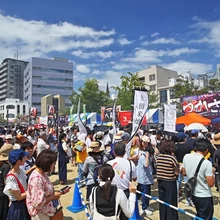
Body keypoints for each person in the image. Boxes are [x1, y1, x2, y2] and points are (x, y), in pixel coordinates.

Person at [26, 150, 70, 220]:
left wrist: (59, 192)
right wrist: (53, 196)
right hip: (41, 215)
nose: (54, 165)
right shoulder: (36, 179)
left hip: (46, 212)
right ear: (47, 163)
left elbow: (45, 191)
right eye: (53, 163)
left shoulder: (43, 173)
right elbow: (37, 203)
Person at [182, 139, 215, 220]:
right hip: (204, 195)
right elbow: (211, 184)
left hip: (193, 193)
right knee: (206, 216)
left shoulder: (186, 156)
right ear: (207, 149)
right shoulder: (207, 163)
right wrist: (212, 173)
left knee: (199, 214)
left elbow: (184, 173)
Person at [108, 141, 137, 220]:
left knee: (113, 214)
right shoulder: (130, 163)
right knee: (125, 215)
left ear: (114, 152)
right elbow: (134, 178)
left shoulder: (109, 163)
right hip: (126, 192)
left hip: (112, 192)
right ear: (124, 152)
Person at [3, 149, 30, 220]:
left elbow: (24, 176)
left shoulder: (20, 169)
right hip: (19, 207)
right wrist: (32, 191)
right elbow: (19, 197)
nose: (26, 158)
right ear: (18, 161)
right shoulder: (11, 178)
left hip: (24, 203)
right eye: (24, 157)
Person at [156, 139, 179, 220]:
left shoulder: (159, 157)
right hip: (170, 181)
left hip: (160, 181)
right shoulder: (172, 158)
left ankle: (163, 217)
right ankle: (171, 218)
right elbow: (176, 172)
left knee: (162, 201)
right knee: (171, 202)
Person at [174, 132, 192, 205]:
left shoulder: (175, 147)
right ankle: (188, 200)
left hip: (177, 165)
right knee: (187, 183)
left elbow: (174, 156)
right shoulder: (188, 147)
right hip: (186, 165)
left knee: (177, 182)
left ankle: (177, 197)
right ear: (184, 138)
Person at [137, 145, 155, 216]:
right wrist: (147, 156)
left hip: (147, 179)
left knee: (148, 194)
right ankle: (144, 208)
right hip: (143, 180)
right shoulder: (143, 157)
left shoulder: (148, 157)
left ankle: (147, 205)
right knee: (144, 194)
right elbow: (146, 165)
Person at [0, 144, 14, 220]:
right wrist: (10, 198)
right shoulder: (7, 166)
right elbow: (7, 182)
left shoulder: (2, 165)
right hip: (4, 194)